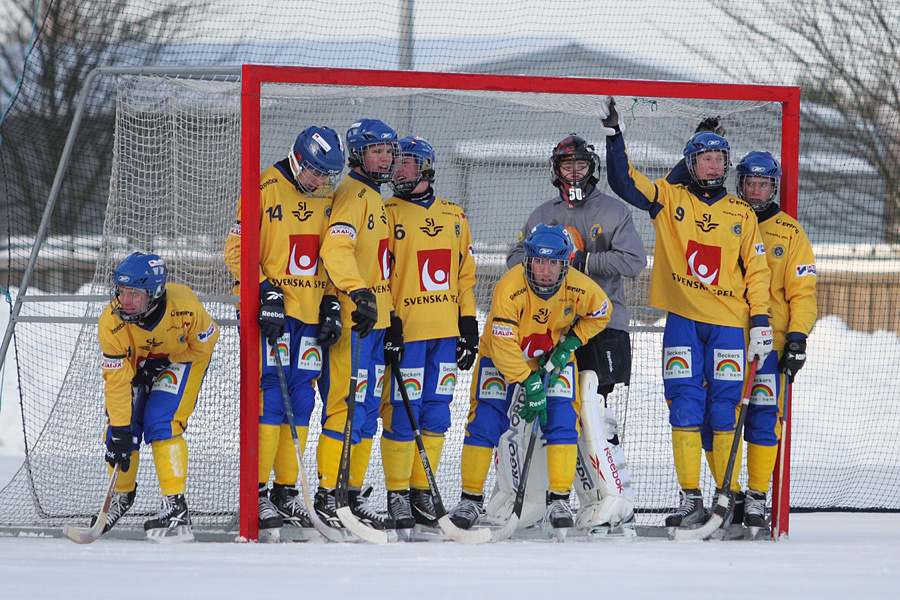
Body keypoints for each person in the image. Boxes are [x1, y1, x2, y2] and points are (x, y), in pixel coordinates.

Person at [602, 98, 774, 531]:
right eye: (704, 158)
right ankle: (690, 497)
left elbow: (756, 270)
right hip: (682, 320)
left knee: (723, 412)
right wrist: (614, 135)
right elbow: (624, 182)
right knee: (683, 407)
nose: (713, 166)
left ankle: (728, 496)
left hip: (730, 326)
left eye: (719, 159)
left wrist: (760, 321)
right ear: (690, 164)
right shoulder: (668, 198)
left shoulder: (741, 212)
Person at [506, 134, 646, 532]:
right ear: (556, 170)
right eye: (567, 165)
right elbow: (514, 257)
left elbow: (634, 261)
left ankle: (616, 496)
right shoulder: (542, 213)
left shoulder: (613, 210)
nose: (574, 171)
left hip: (602, 323)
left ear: (592, 168)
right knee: (558, 414)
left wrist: (579, 260)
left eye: (580, 165)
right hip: (551, 329)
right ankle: (568, 499)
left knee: (595, 412)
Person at [448, 223, 612, 534]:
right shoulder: (509, 287)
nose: (546, 271)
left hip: (552, 357)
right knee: (484, 420)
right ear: (528, 260)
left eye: (554, 263)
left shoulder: (580, 286)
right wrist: (529, 381)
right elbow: (504, 344)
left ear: (566, 263)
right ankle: (469, 499)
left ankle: (558, 500)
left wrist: (571, 342)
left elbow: (602, 311)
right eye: (539, 261)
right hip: (500, 356)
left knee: (564, 419)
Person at [224, 126, 345, 538]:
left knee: (302, 400)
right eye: (314, 171)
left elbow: (332, 254)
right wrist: (261, 289)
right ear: (297, 159)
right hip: (271, 316)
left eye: (327, 175)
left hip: (309, 315)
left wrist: (331, 300)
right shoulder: (262, 187)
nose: (319, 181)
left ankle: (285, 489)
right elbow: (236, 250)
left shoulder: (328, 196)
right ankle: (255, 490)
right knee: (270, 398)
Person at [699, 149, 817, 535]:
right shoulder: (726, 216)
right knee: (719, 418)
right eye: (750, 183)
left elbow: (803, 293)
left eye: (764, 184)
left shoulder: (790, 232)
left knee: (765, 419)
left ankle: (756, 496)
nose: (756, 190)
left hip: (771, 343)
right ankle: (726, 494)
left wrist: (797, 338)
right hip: (727, 334)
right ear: (740, 183)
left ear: (773, 188)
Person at [381, 136, 477, 533]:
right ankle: (397, 493)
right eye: (396, 163)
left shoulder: (455, 215)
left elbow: (465, 276)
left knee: (437, 413)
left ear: (425, 167)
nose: (400, 169)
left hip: (444, 334)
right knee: (403, 413)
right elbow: (379, 273)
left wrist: (468, 324)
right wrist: (391, 320)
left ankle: (423, 491)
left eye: (408, 163)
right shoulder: (385, 212)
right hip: (408, 336)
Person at [313, 118, 399, 530]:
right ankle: (328, 493)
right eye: (376, 150)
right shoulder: (351, 194)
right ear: (359, 154)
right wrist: (357, 292)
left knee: (365, 412)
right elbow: (336, 248)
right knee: (345, 408)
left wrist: (390, 314)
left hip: (377, 324)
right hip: (354, 322)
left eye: (388, 151)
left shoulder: (375, 195)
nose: (385, 157)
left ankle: (352, 493)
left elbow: (381, 264)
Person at [97, 252, 219, 542]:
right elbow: (116, 383)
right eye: (122, 292)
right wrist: (120, 430)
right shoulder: (110, 323)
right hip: (135, 365)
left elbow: (205, 343)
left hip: (179, 359)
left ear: (155, 294)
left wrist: (166, 359)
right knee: (121, 429)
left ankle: (176, 507)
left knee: (161, 421)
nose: (125, 301)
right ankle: (122, 496)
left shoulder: (185, 306)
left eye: (135, 294)